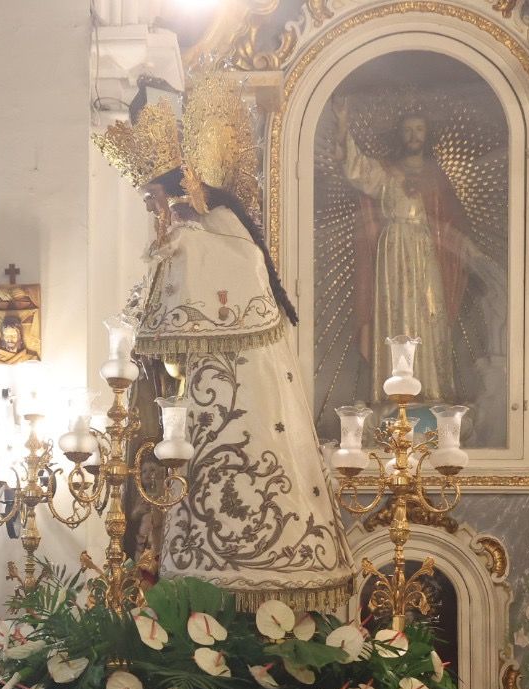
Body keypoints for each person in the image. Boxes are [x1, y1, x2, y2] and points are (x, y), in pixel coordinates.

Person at [97, 75, 354, 613]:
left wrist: (174, 253)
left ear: (181, 186)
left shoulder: (216, 230)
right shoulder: (192, 235)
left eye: (154, 199)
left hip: (242, 391)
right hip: (200, 397)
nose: (153, 212)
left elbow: (203, 302)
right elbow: (153, 324)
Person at [335, 103, 473, 403]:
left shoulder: (437, 176)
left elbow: (454, 221)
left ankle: (432, 392)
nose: (413, 135)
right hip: (394, 248)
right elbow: (357, 168)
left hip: (425, 250)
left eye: (419, 129)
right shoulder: (386, 172)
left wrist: (466, 247)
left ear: (427, 134)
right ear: (400, 135)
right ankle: (393, 397)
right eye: (408, 130)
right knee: (395, 311)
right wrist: (344, 126)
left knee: (430, 310)